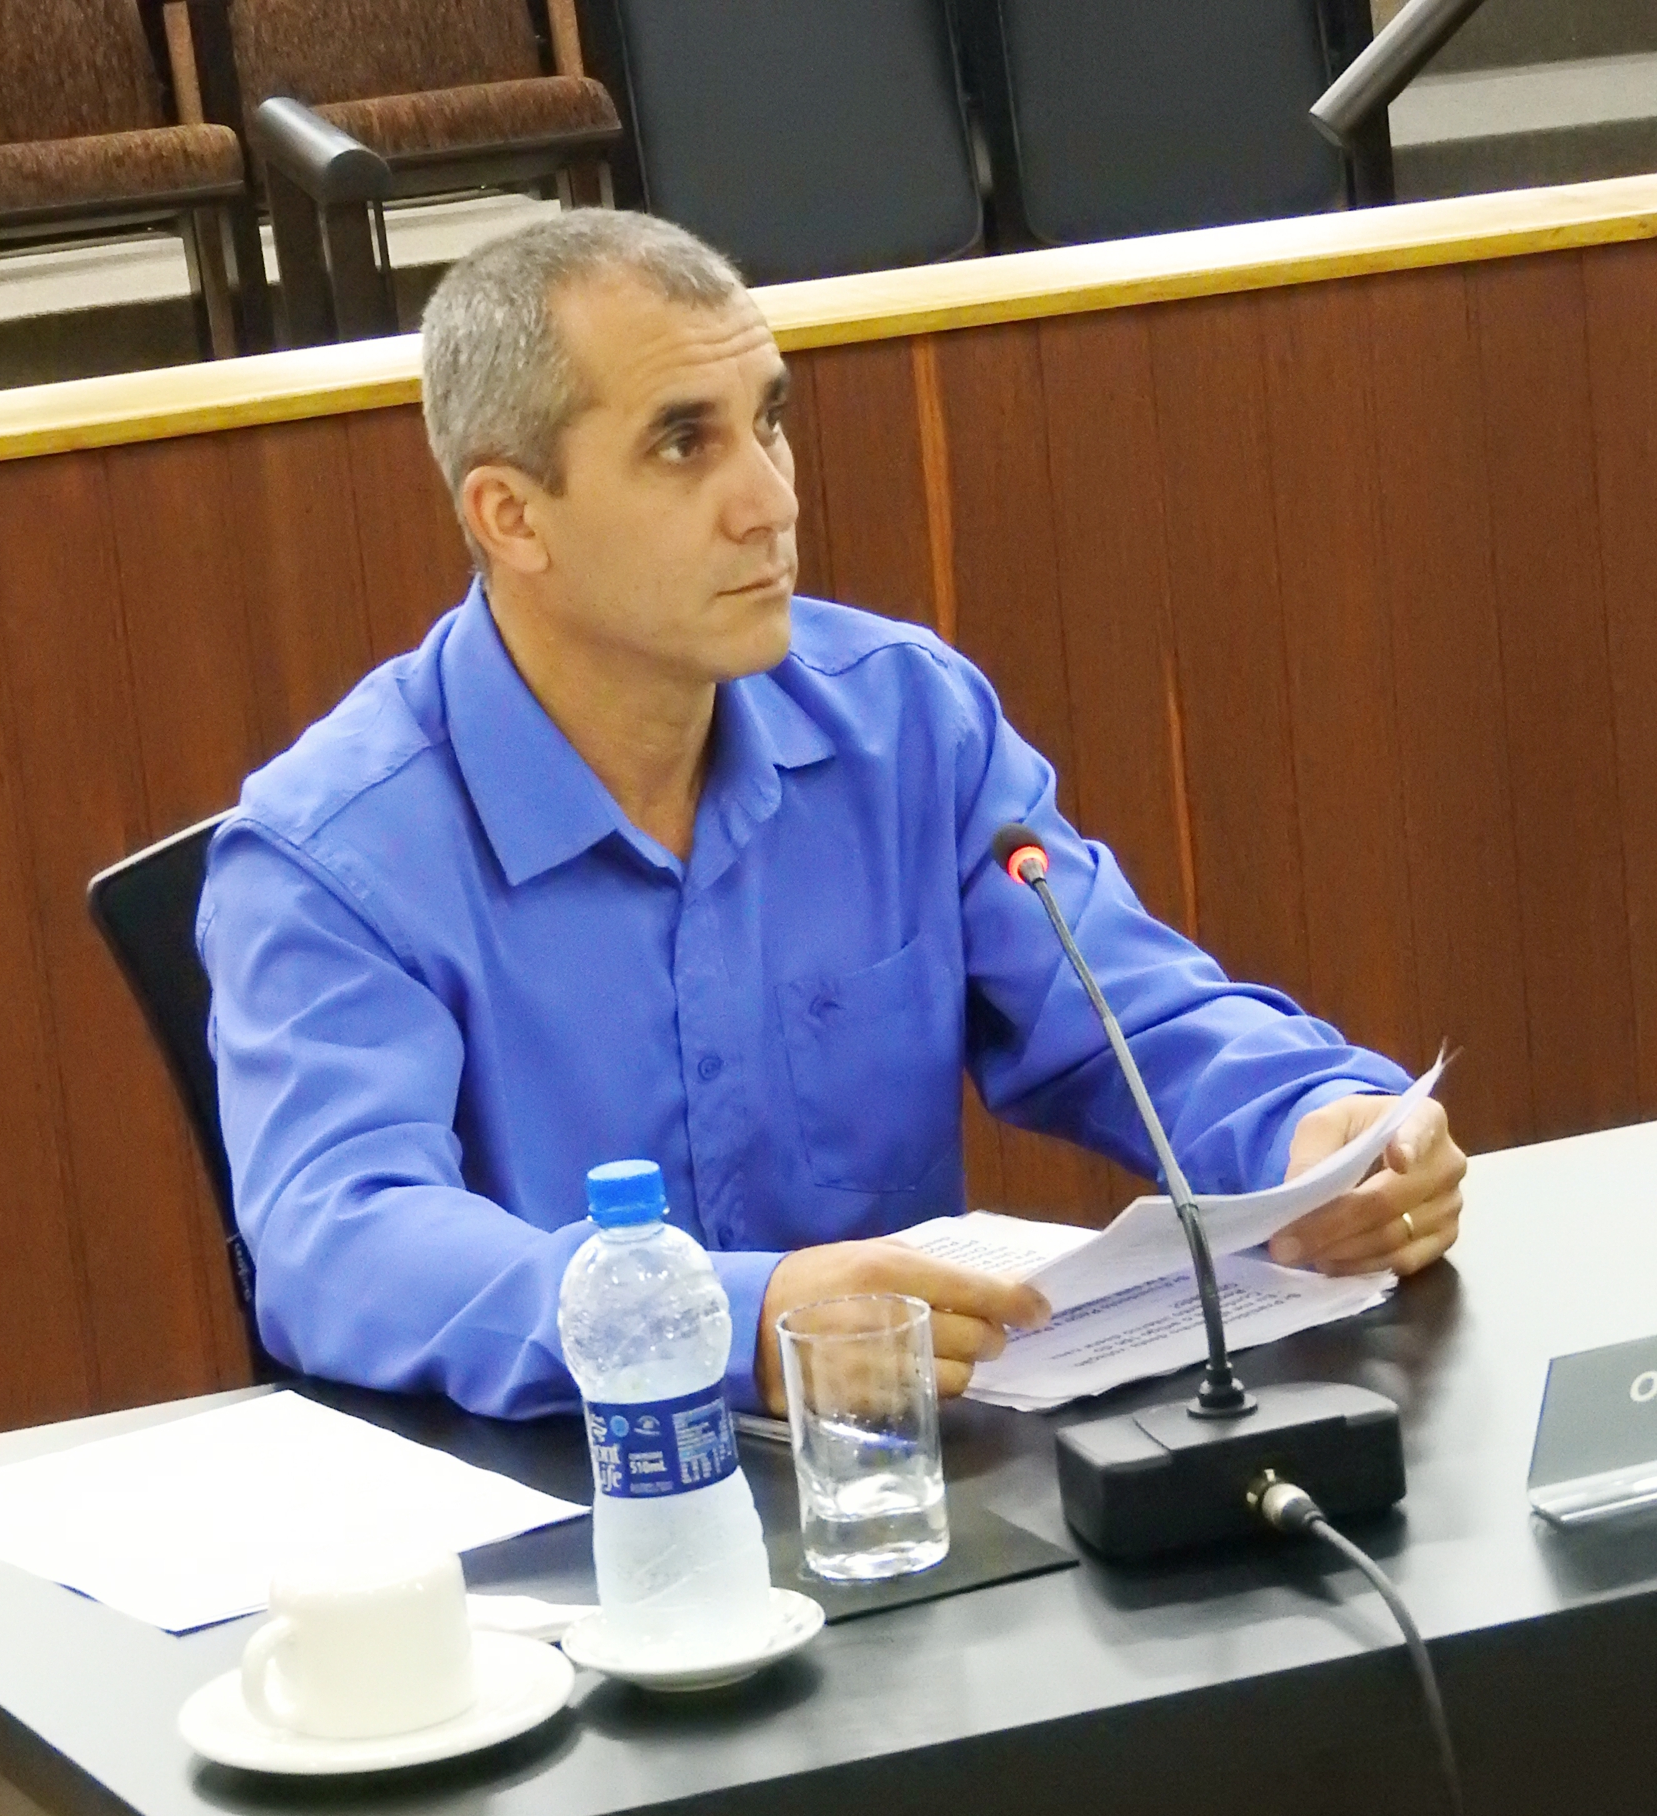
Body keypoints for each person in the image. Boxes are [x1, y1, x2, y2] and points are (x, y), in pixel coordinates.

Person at [198, 210, 1465, 1421]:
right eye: (682, 444)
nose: (769, 500)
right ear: (510, 516)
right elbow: (340, 1241)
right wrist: (733, 1321)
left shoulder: (904, 721)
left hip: (901, 1488)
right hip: (561, 1515)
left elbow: (1123, 1015)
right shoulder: (329, 857)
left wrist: (1311, 1125)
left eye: (770, 422)